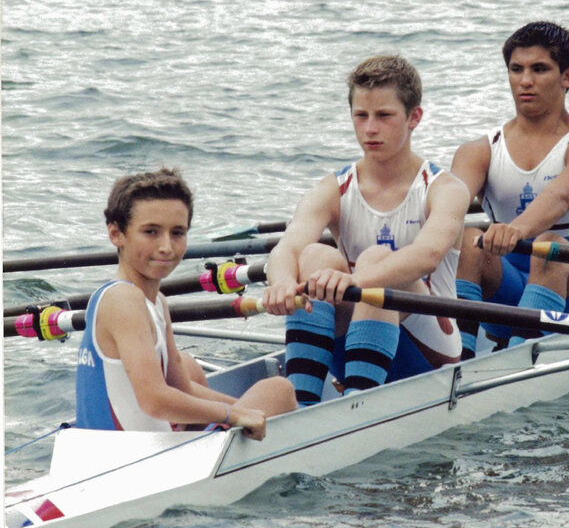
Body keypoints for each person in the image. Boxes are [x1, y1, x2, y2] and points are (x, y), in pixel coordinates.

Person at [263, 55, 468, 405]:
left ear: (414, 117)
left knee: (375, 260)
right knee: (314, 255)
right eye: (361, 116)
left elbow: (427, 256)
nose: (370, 129)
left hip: (432, 355)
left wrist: (356, 283)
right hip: (360, 339)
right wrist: (281, 283)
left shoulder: (445, 188)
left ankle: (357, 406)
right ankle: (302, 403)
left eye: (384, 116)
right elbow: (287, 248)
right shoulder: (334, 188)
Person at [76, 169, 297, 441]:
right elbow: (154, 401)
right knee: (279, 391)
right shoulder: (124, 299)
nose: (167, 247)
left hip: (114, 450)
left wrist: (245, 412)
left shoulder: (155, 301)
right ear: (116, 234)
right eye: (151, 232)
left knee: (190, 368)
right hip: (133, 461)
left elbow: (183, 389)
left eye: (177, 233)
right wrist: (236, 414)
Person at [450, 21, 569, 356]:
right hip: (508, 295)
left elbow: (561, 194)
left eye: (539, 69)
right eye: (517, 69)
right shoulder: (478, 150)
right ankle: (457, 360)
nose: (525, 81)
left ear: (567, 77)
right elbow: (445, 209)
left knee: (549, 247)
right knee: (467, 239)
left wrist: (515, 230)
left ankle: (514, 362)